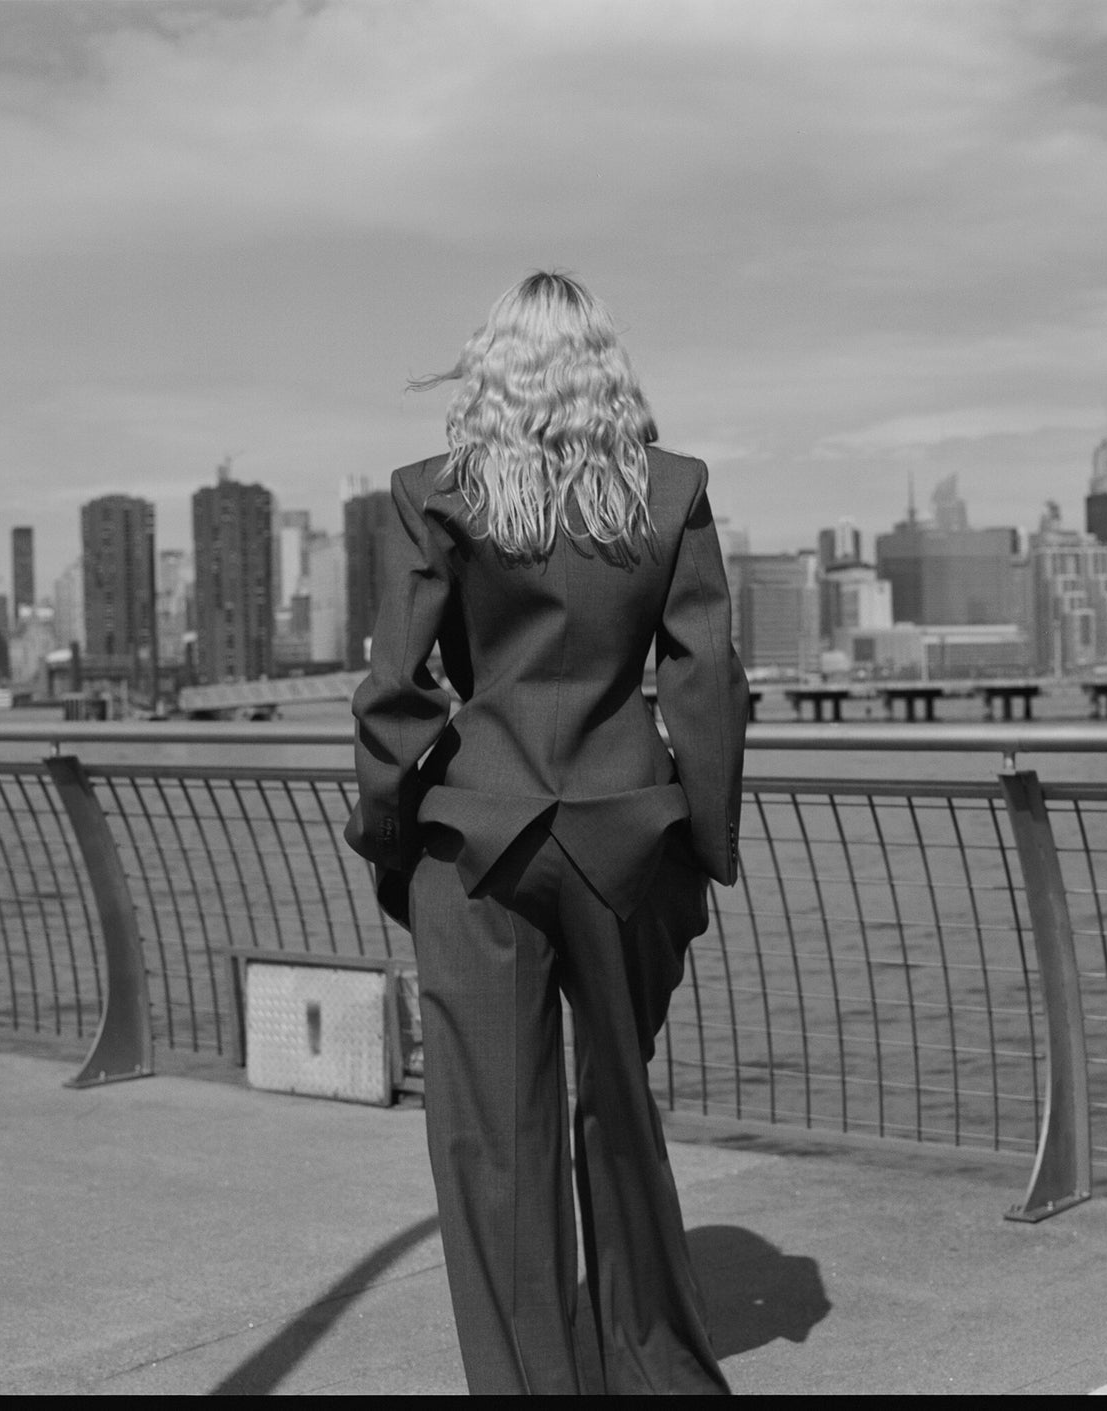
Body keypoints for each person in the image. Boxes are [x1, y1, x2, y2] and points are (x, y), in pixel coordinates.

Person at [343, 271, 749, 1395]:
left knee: (490, 1147)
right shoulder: (670, 491)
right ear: (605, 366)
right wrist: (701, 844)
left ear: (492, 367)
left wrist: (391, 839)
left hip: (475, 840)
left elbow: (393, 690)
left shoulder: (436, 492)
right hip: (626, 838)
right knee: (619, 1110)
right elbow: (705, 681)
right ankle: (653, 1368)